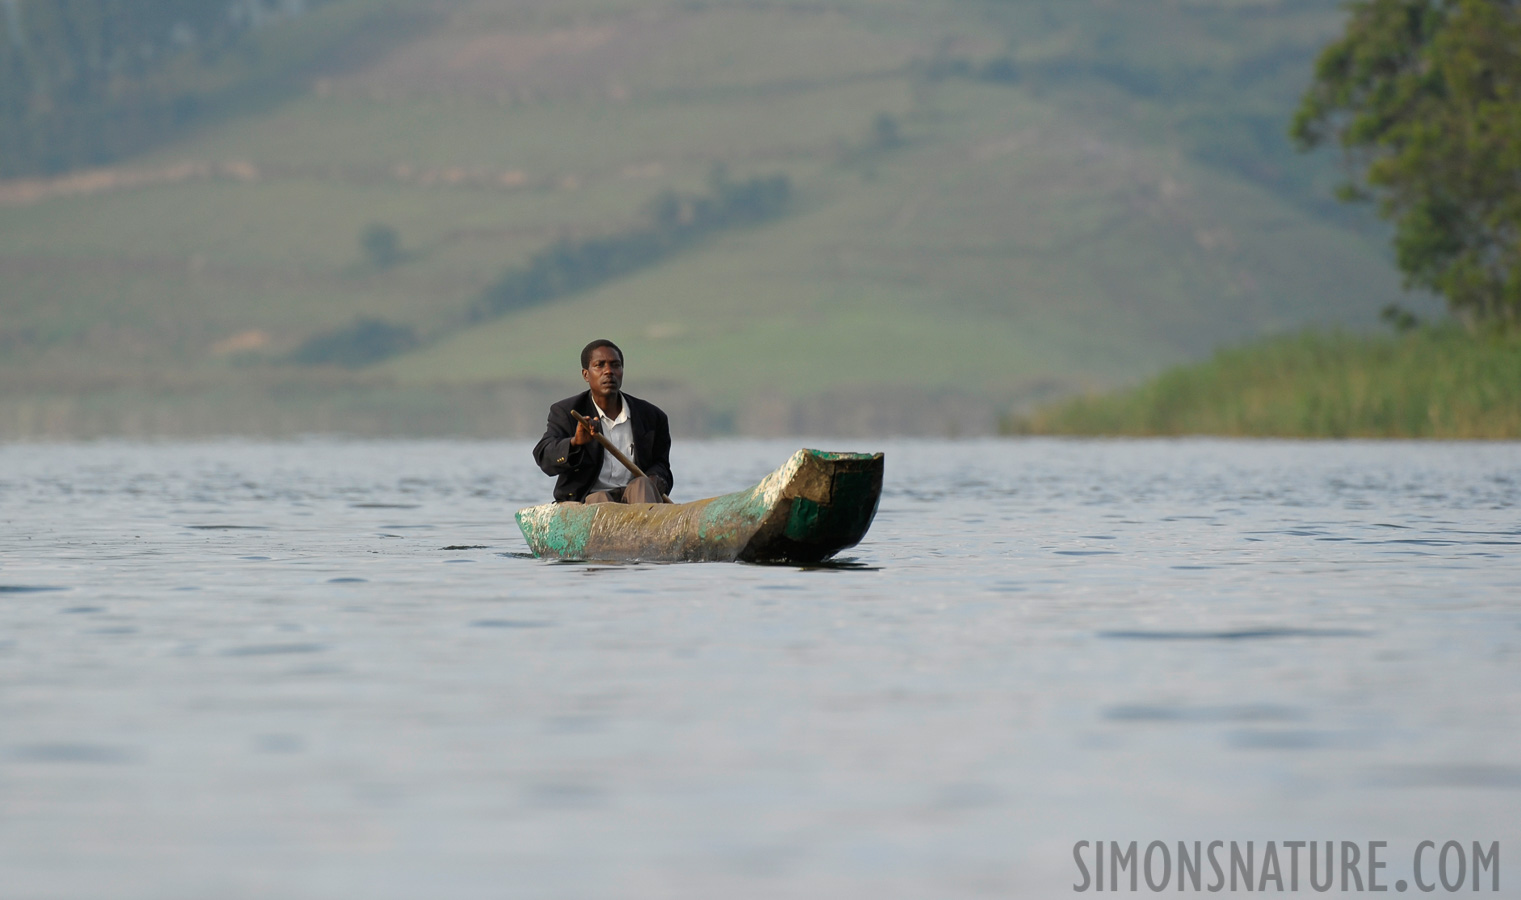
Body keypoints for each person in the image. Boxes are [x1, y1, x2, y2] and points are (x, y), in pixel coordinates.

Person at [532, 339, 673, 504]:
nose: (609, 371)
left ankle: (646, 528)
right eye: (600, 365)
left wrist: (655, 479)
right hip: (589, 501)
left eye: (615, 365)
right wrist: (575, 443)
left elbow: (662, 465)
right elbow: (544, 457)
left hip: (636, 500)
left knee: (642, 484)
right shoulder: (566, 411)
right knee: (600, 499)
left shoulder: (652, 416)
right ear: (586, 374)